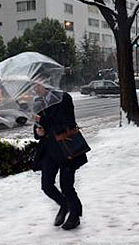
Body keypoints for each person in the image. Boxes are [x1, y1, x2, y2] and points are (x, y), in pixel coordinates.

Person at [33, 84, 87, 230]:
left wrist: (42, 120)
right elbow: (38, 126)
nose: (34, 89)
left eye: (36, 85)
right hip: (49, 149)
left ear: (45, 84)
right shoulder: (38, 101)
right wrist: (38, 132)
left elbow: (65, 121)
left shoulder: (63, 98)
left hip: (65, 147)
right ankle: (64, 205)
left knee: (66, 185)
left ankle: (75, 215)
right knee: (47, 185)